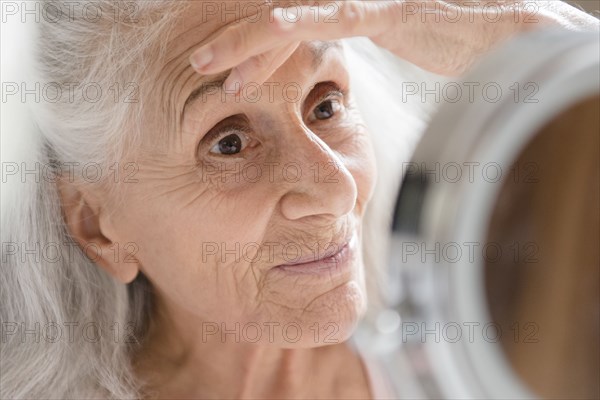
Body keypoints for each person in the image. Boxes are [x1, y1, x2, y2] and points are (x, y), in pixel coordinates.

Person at [1, 1, 597, 399]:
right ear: (96, 226)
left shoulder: (495, 345)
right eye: (229, 142)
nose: (335, 186)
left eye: (326, 104)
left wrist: (569, 60)